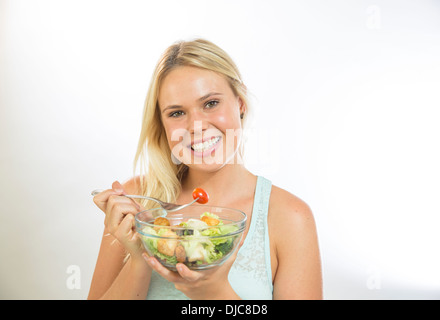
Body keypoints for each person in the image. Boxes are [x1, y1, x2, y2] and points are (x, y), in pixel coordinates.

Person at [88, 38, 322, 300]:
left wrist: (214, 292)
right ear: (162, 125)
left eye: (210, 103)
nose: (196, 126)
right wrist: (140, 257)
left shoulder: (290, 217)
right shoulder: (136, 203)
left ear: (240, 103)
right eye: (177, 113)